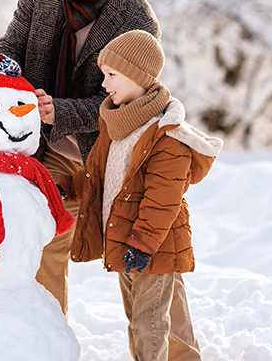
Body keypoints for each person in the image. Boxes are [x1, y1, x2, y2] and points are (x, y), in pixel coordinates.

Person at [0, 0, 159, 316]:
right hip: (44, 144)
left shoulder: (136, 23)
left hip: (105, 151)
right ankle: (47, 342)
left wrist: (62, 111)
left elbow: (122, 102)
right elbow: (13, 44)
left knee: (142, 257)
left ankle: (175, 353)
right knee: (44, 240)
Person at [57, 30, 223, 360]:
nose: (104, 84)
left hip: (151, 246)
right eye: (105, 74)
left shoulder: (166, 135)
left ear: (137, 75)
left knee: (150, 323)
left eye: (112, 75)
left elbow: (164, 198)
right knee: (137, 320)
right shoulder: (118, 125)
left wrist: (143, 243)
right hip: (124, 241)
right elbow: (101, 176)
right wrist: (65, 187)